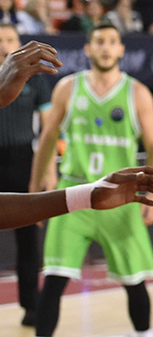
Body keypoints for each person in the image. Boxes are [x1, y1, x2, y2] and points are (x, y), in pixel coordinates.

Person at [30, 24, 153, 337]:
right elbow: (47, 139)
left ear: (121, 50)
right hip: (73, 194)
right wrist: (36, 186)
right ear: (88, 49)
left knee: (134, 281)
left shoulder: (137, 92)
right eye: (99, 41)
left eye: (112, 42)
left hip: (120, 198)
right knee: (53, 279)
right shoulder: (68, 87)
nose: (106, 47)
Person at [0, 24, 53, 325]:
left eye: (9, 39)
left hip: (23, 161)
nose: (3, 45)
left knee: (28, 237)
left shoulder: (35, 79)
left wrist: (49, 170)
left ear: (19, 44)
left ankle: (31, 306)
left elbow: (49, 128)